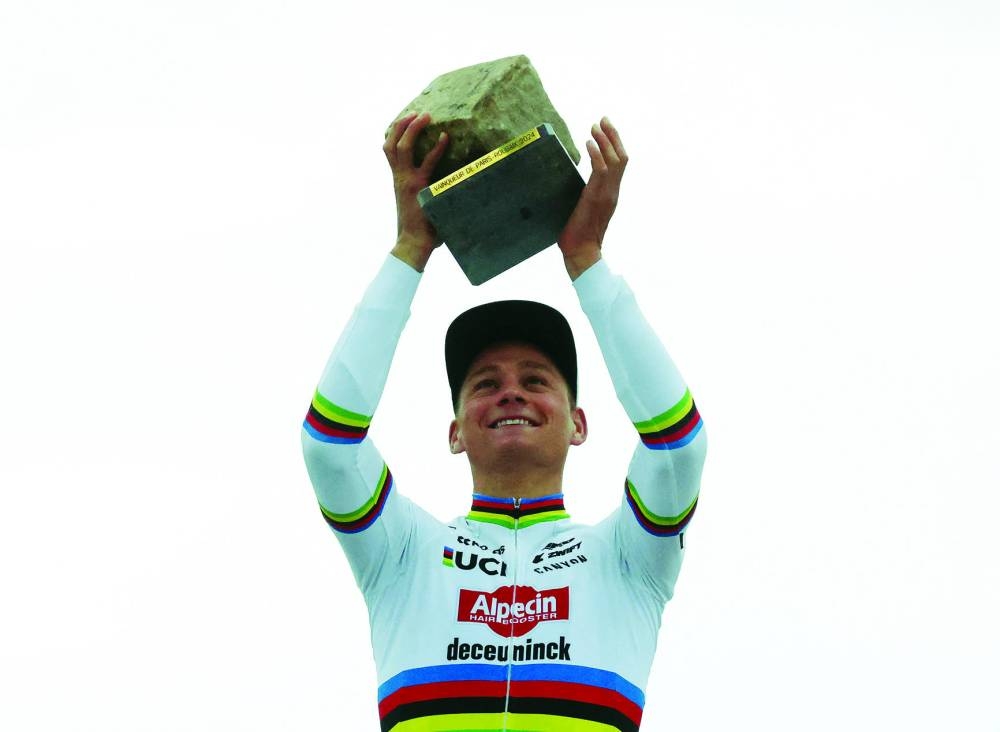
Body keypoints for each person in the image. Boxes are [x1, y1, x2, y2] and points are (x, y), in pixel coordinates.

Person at [301, 111, 707, 732]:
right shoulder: (404, 552)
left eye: (536, 380)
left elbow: (678, 446)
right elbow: (329, 445)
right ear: (456, 431)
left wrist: (587, 260)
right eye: (485, 385)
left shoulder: (628, 557)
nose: (510, 394)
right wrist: (410, 249)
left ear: (577, 423)